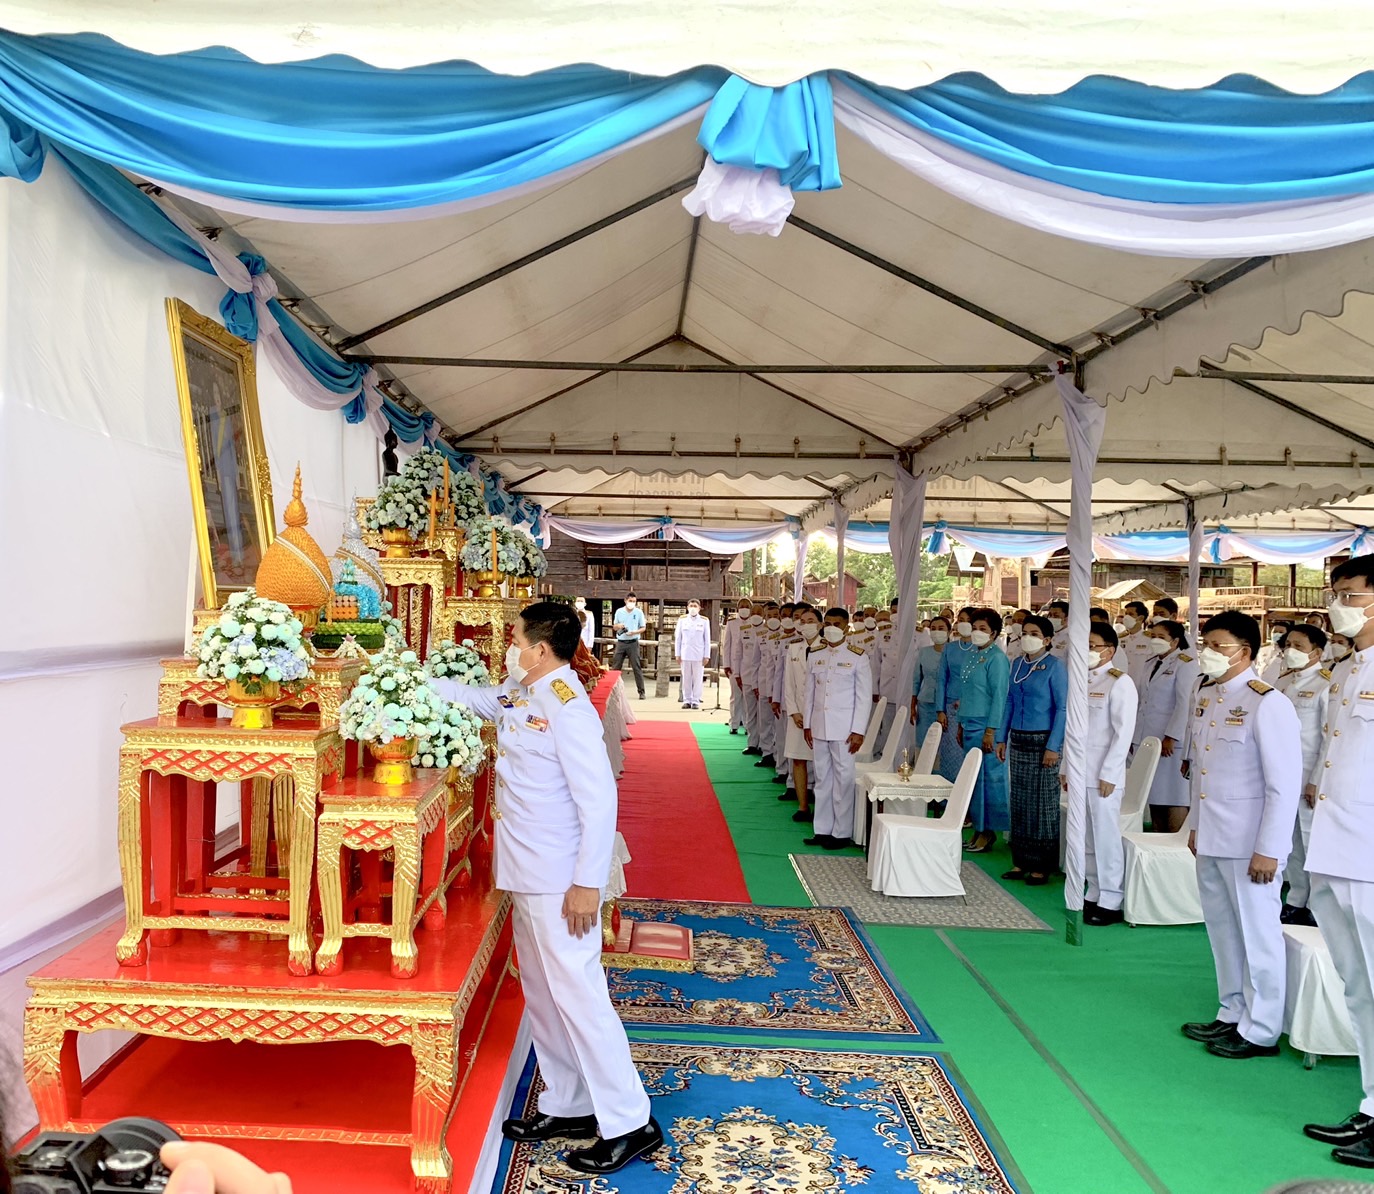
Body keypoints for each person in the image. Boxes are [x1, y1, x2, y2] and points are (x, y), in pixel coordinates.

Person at [431, 602, 661, 1173]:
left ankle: (631, 1121)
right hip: (527, 872)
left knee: (581, 996)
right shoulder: (523, 692)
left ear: (538, 648)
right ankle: (570, 1103)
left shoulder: (567, 706)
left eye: (514, 638)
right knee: (542, 991)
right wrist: (407, 678)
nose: (508, 645)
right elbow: (474, 700)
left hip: (562, 881)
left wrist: (587, 883)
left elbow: (598, 799)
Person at [1180, 609, 1300, 1062]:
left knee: (1258, 932)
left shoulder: (1266, 701)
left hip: (1251, 843)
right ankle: (1232, 1009)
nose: (1207, 653)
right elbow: (1205, 772)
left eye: (1218, 646)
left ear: (1245, 652)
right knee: (1223, 928)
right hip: (1213, 834)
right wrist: (1194, 825)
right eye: (1205, 643)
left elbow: (1282, 784)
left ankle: (1263, 1028)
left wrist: (1269, 849)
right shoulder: (1210, 695)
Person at [1300, 557, 1374, 1166]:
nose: (1338, 605)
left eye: (1349, 595)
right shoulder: (1350, 669)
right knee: (1361, 988)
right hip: (1338, 848)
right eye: (1338, 593)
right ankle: (1373, 1106)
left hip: (1371, 853)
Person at [1061, 622, 1138, 925]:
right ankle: (1093, 889)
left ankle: (1111, 897)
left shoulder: (1120, 683)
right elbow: (1074, 732)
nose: (1089, 651)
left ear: (1110, 650)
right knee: (1086, 835)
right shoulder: (1080, 680)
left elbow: (1122, 734)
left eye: (1094, 645)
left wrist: (1110, 772)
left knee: (1105, 836)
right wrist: (1067, 767)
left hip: (1103, 774)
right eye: (1085, 645)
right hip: (1080, 771)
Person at [997, 614, 1066, 885]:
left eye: (1035, 633)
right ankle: (1020, 861)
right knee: (1020, 800)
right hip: (1019, 739)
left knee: (1043, 804)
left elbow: (1062, 708)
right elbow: (1009, 703)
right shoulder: (1016, 664)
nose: (1028, 636)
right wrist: (1002, 737)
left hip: (1043, 741)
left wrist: (1054, 746)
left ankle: (1041, 865)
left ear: (1047, 640)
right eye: (1025, 632)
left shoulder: (1055, 667)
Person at [938, 608, 1010, 853]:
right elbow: (966, 692)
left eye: (983, 629)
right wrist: (960, 723)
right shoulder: (972, 655)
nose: (977, 633)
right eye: (975, 628)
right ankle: (978, 827)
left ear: (995, 633)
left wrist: (991, 731)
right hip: (968, 723)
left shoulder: (997, 658)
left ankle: (987, 831)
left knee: (987, 781)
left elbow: (999, 696)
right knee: (972, 780)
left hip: (985, 726)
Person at [803, 607, 872, 850]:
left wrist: (859, 730)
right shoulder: (815, 653)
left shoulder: (858, 656)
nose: (831, 628)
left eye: (837, 624)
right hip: (820, 726)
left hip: (845, 729)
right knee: (822, 778)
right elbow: (809, 692)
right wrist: (808, 724)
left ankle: (841, 832)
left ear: (846, 626)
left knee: (843, 779)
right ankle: (822, 829)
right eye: (828, 623)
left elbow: (863, 698)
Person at [1275, 623, 1328, 927]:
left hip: (1309, 775)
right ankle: (1296, 898)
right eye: (1288, 645)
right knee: (1290, 840)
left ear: (1317, 652)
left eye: (1299, 646)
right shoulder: (1283, 682)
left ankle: (1318, 905)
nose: (1290, 651)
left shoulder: (1326, 685)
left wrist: (1317, 778)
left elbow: (1328, 737)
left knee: (1312, 841)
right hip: (1283, 775)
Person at [1133, 619, 1200, 833]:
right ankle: (1157, 841)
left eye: (1161, 637)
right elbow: (1143, 701)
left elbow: (1185, 703)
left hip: (1170, 742)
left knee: (1173, 794)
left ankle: (1174, 844)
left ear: (1176, 641)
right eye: (1153, 636)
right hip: (1147, 737)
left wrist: (1172, 735)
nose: (1155, 641)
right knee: (1152, 793)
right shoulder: (1150, 662)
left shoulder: (1185, 664)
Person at [784, 604, 821, 822]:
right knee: (798, 759)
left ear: (820, 624)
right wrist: (794, 712)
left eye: (811, 621)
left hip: (820, 715)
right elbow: (788, 684)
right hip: (798, 714)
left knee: (822, 761)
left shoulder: (827, 647)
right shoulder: (794, 649)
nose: (806, 625)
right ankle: (803, 806)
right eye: (803, 621)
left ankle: (822, 806)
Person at [911, 615, 957, 783]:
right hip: (926, 703)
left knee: (945, 745)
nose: (937, 632)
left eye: (941, 629)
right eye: (934, 628)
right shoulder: (924, 652)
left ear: (949, 631)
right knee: (924, 742)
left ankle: (941, 781)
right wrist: (912, 705)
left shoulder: (955, 652)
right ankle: (922, 779)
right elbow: (917, 679)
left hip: (948, 705)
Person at [674, 598, 710, 710]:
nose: (693, 608)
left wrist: (706, 655)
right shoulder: (682, 620)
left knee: (698, 678)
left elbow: (707, 639)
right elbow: (678, 638)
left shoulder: (704, 621)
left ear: (699, 608)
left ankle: (695, 700)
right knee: (686, 678)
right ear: (687, 607)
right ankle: (687, 700)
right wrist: (677, 653)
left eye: (695, 606)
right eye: (691, 606)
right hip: (685, 653)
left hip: (699, 654)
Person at [610, 593, 647, 700]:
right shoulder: (619, 611)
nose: (632, 603)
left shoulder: (638, 612)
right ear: (625, 600)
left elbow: (643, 627)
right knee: (616, 667)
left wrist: (635, 632)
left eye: (634, 601)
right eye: (630, 601)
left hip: (633, 642)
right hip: (621, 642)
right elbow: (614, 626)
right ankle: (612, 690)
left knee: (636, 667)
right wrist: (619, 626)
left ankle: (641, 691)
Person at [724, 597, 752, 733]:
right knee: (735, 696)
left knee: (748, 698)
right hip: (734, 666)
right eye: (742, 606)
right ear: (737, 608)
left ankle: (748, 725)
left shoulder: (756, 623)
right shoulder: (732, 623)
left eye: (747, 606)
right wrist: (726, 665)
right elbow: (727, 645)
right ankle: (734, 724)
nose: (745, 608)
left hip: (749, 667)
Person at [1118, 600, 1154, 683]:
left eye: (1131, 614)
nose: (1126, 617)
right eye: (1126, 614)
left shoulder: (1150, 640)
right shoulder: (1120, 639)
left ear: (1141, 618)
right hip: (1121, 682)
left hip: (1140, 684)